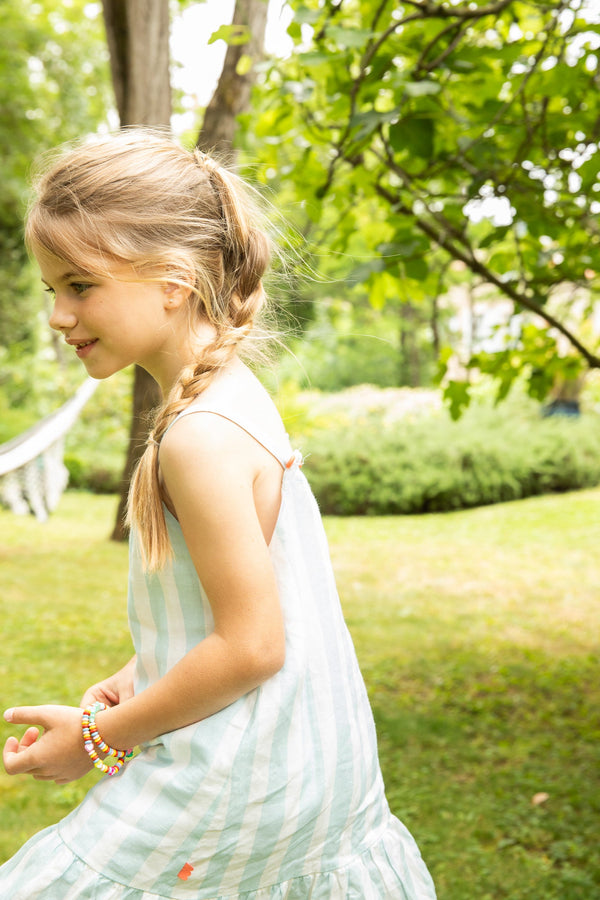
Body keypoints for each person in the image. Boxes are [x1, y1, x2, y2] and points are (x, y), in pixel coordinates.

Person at [0, 129, 436, 899]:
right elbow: (231, 610)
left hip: (230, 784)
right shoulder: (230, 396)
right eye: (51, 290)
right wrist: (140, 676)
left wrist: (95, 740)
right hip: (296, 769)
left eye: (80, 285)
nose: (60, 316)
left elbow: (253, 646)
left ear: (172, 281)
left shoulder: (199, 436)